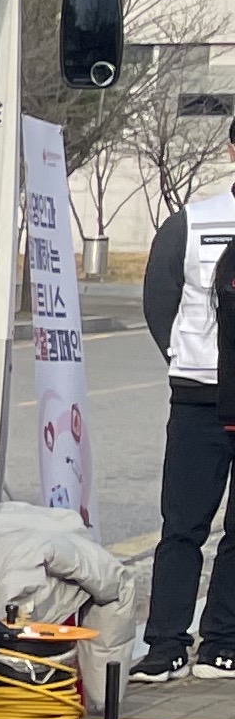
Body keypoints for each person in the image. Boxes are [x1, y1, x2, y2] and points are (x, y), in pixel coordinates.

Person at [129, 129, 235, 684]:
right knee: (183, 525)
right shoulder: (191, 222)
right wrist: (189, 359)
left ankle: (222, 644)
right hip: (200, 395)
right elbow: (159, 303)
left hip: (206, 388)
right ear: (232, 150)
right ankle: (165, 645)